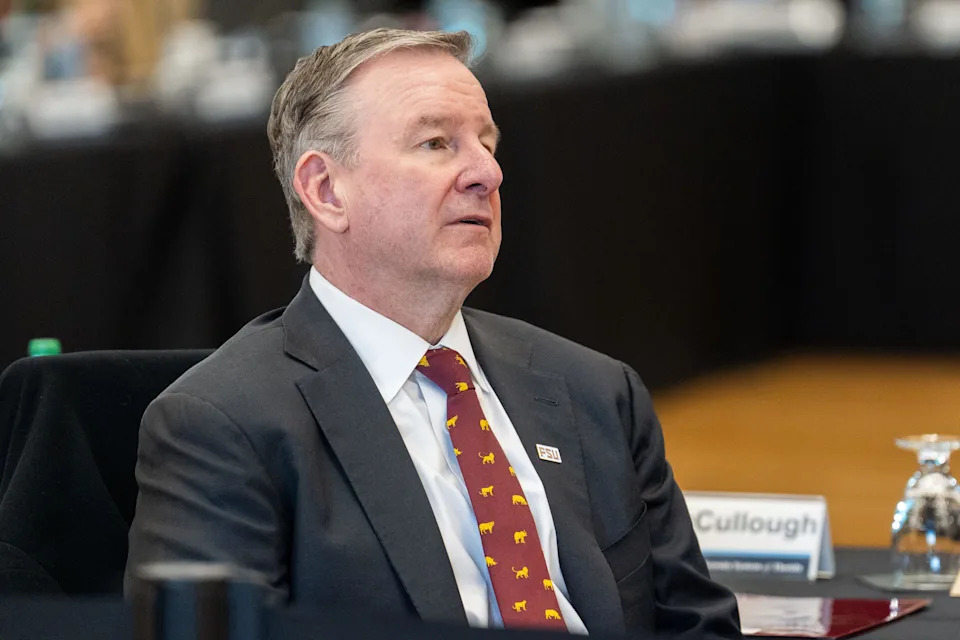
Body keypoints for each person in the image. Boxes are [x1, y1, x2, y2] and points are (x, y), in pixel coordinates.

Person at [125, 28, 741, 638]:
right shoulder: (221, 426)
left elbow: (697, 624)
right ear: (326, 190)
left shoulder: (596, 391)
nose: (487, 174)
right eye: (436, 143)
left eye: (487, 143)